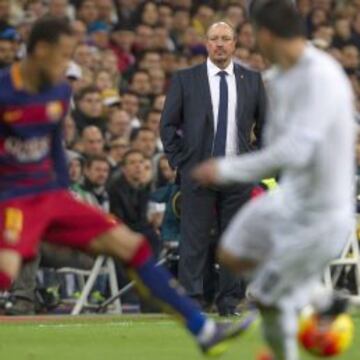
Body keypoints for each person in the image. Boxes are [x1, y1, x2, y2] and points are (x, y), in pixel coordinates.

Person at [0, 17, 251, 355]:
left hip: (51, 196)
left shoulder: (59, 91)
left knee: (132, 246)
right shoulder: (5, 93)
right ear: (41, 51)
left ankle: (203, 330)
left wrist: (64, 195)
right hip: (13, 201)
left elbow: (55, 155)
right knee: (6, 270)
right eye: (62, 56)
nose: (67, 65)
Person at [193, 2, 355, 359]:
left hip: (322, 213)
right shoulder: (279, 77)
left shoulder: (321, 77)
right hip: (288, 199)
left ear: (264, 34)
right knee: (231, 253)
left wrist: (226, 169)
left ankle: (290, 341)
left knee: (266, 297)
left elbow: (296, 150)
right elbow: (280, 144)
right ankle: (319, 299)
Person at [160, 21, 266, 315]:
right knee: (193, 241)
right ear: (206, 44)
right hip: (198, 172)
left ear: (234, 44)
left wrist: (253, 161)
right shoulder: (185, 79)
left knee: (235, 241)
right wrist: (181, 161)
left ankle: (229, 301)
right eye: (214, 39)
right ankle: (193, 301)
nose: (220, 44)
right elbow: (167, 125)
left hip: (237, 173)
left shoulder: (252, 80)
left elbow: (267, 127)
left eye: (225, 39)